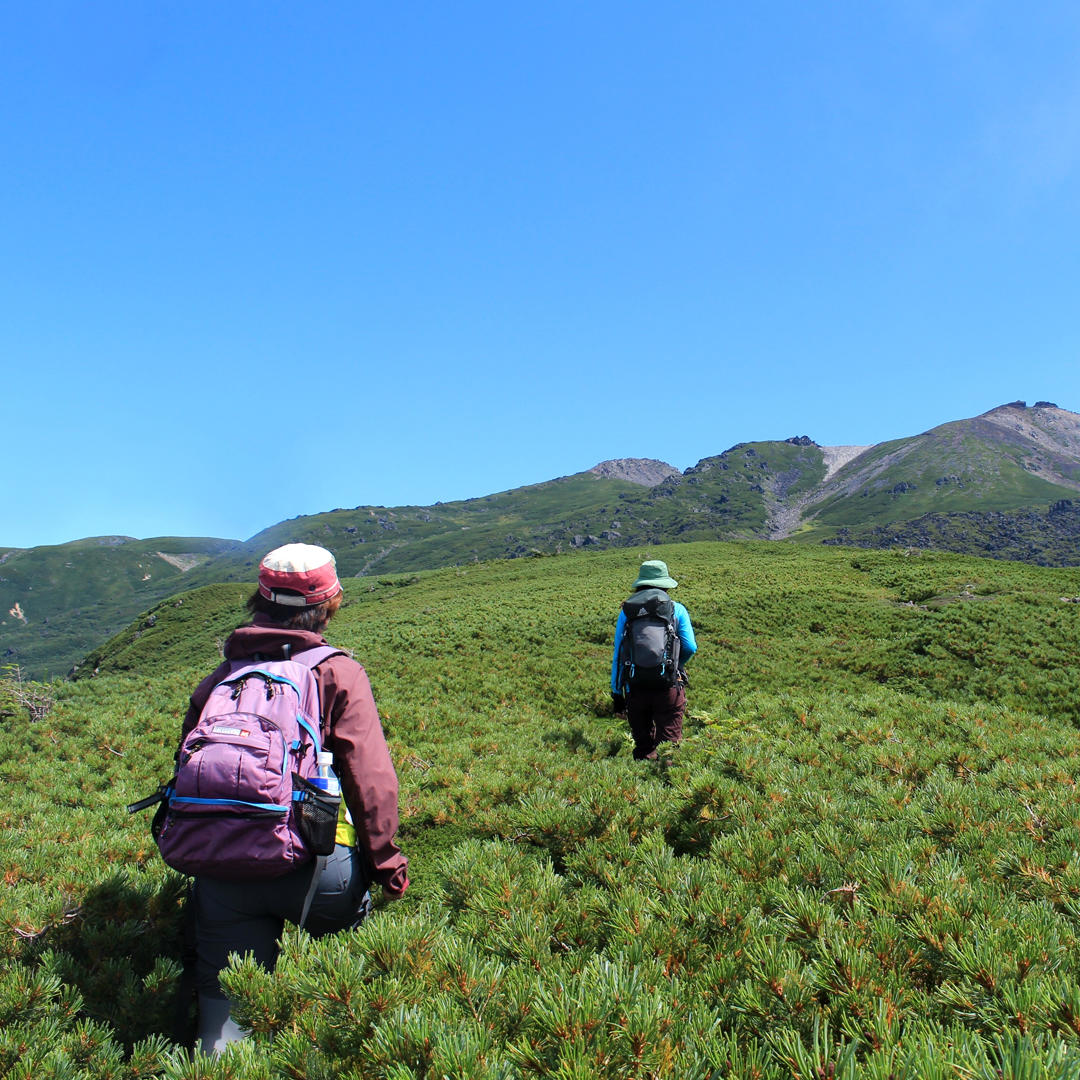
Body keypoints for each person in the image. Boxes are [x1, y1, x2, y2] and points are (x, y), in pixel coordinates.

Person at [179, 543, 409, 1052]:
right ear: (328, 604)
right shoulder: (336, 671)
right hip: (316, 873)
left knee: (225, 1014)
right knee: (348, 987)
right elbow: (370, 781)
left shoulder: (219, 680)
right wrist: (388, 866)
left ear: (258, 602)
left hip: (223, 870)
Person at [610, 559, 697, 760]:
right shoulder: (677, 609)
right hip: (668, 687)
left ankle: (642, 787)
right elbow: (691, 647)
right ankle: (668, 786)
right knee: (670, 748)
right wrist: (676, 665)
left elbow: (618, 655)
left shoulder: (627, 612)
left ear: (641, 583)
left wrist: (617, 694)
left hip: (635, 689)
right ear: (665, 584)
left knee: (643, 748)